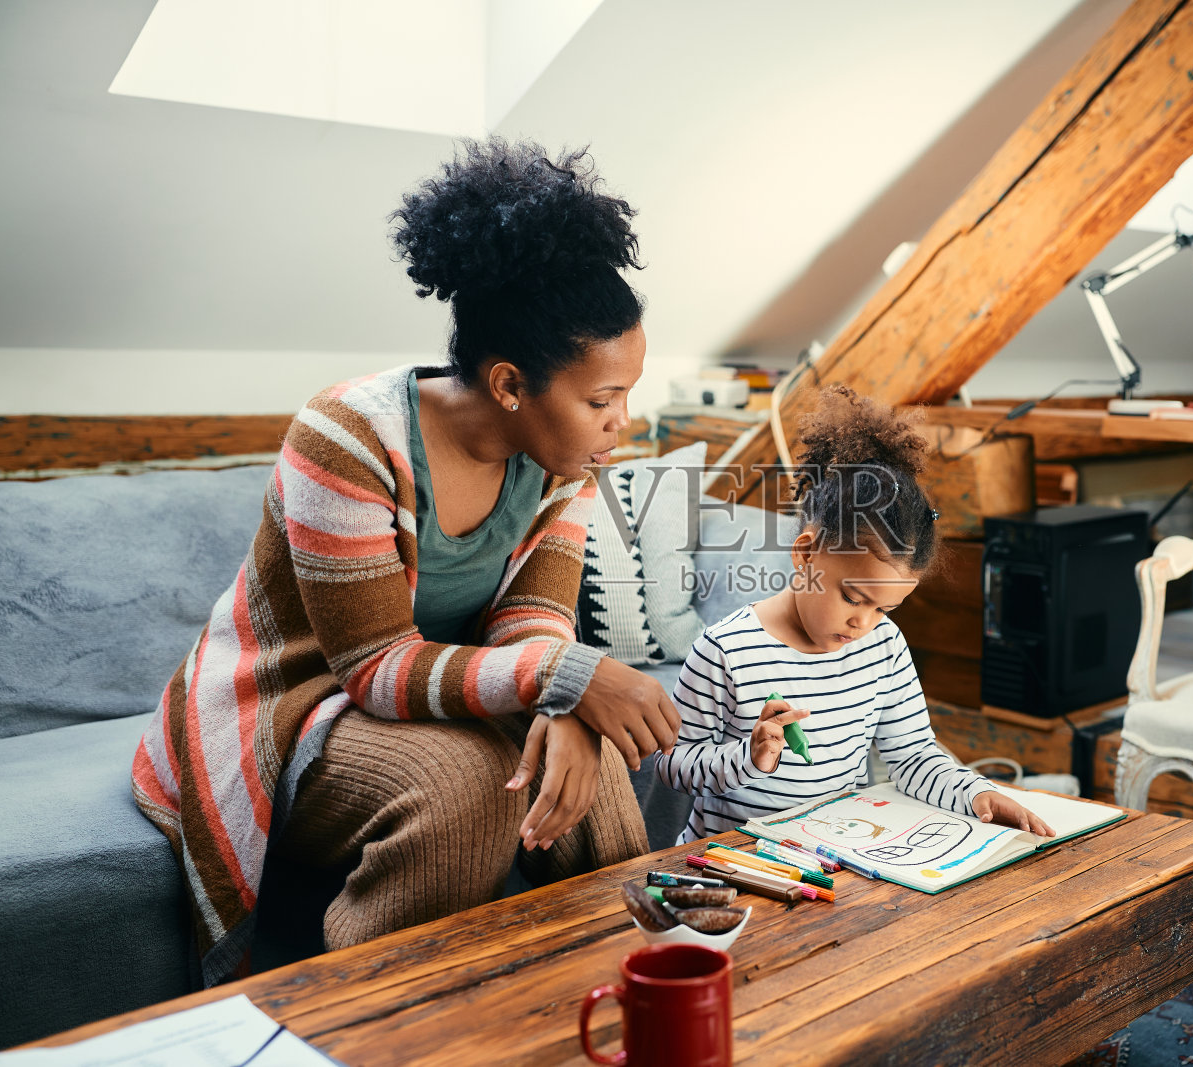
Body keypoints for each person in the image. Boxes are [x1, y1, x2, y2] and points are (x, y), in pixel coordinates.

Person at [132, 137, 681, 985]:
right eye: (603, 399)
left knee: (593, 763)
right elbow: (376, 668)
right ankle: (363, 1023)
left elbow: (532, 622)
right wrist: (566, 678)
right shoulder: (348, 435)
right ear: (508, 384)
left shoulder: (561, 460)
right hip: (296, 702)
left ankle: (612, 996)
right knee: (462, 786)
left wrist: (569, 703)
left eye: (627, 395)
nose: (623, 422)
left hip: (439, 686)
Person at [654, 385, 1054, 843]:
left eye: (884, 608)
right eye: (853, 597)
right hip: (736, 863)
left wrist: (976, 794)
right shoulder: (727, 650)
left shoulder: (884, 646)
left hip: (834, 854)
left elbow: (914, 756)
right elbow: (672, 767)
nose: (864, 623)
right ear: (805, 554)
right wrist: (747, 756)